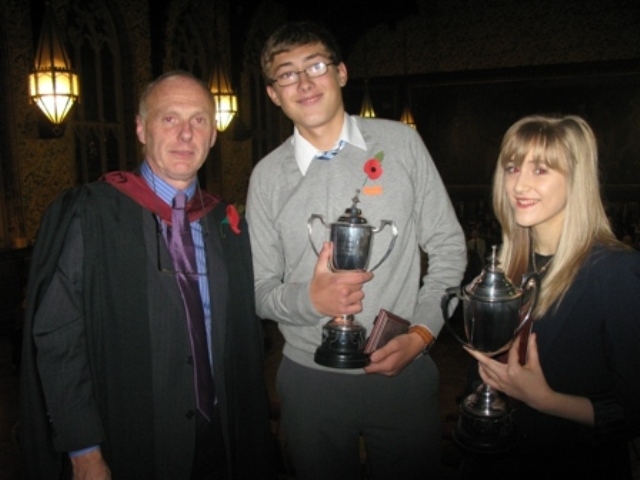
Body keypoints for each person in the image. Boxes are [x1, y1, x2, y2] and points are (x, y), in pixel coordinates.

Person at [19, 71, 277, 480]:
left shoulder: (225, 225)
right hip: (131, 438)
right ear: (141, 128)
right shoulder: (93, 215)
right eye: (169, 119)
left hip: (223, 436)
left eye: (199, 121)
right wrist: (84, 449)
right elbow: (57, 336)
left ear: (213, 135)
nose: (186, 135)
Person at [246, 21, 467, 479]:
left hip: (402, 372)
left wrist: (423, 334)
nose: (304, 83)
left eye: (316, 66)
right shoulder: (266, 177)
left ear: (341, 73)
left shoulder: (401, 145)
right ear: (273, 94)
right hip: (310, 384)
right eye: (287, 74)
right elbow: (260, 288)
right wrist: (310, 300)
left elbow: (447, 248)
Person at [462, 114, 640, 479]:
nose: (519, 184)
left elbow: (633, 410)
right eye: (512, 168)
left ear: (576, 180)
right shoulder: (506, 268)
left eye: (540, 170)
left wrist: (546, 400)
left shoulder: (616, 270)